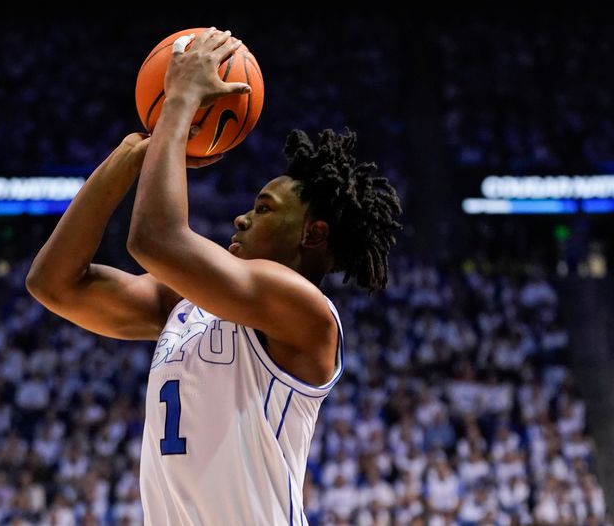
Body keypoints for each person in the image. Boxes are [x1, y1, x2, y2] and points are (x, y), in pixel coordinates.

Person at [26, 27, 403, 525]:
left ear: (311, 236)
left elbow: (155, 239)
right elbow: (54, 284)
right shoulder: (184, 306)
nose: (241, 219)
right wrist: (126, 158)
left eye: (264, 210)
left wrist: (178, 106)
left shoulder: (306, 312)